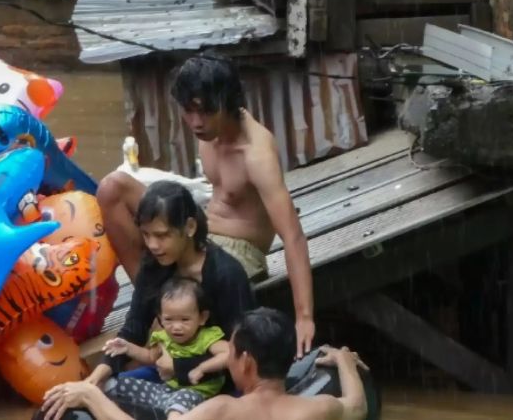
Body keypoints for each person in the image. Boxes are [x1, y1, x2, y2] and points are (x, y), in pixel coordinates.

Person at [98, 51, 315, 357]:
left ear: (228, 103)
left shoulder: (256, 153)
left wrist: (304, 317)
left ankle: (169, 317)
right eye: (189, 111)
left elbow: (293, 235)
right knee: (112, 189)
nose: (196, 122)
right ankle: (158, 308)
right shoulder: (208, 132)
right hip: (201, 226)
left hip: (240, 248)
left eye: (205, 112)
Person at [40, 307, 368, 420]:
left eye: (233, 351)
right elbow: (357, 407)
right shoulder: (318, 410)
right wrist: (343, 359)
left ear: (247, 362)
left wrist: (90, 395)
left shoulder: (222, 410)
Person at [83, 180, 256, 388]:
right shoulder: (154, 266)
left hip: (215, 383)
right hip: (170, 376)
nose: (153, 245)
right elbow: (134, 328)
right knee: (110, 388)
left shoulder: (226, 274)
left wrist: (179, 366)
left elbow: (243, 352)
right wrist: (96, 377)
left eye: (162, 235)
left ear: (190, 227)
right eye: (146, 235)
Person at [102, 277, 230, 418]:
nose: (176, 327)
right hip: (165, 391)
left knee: (178, 405)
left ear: (202, 318)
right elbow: (150, 357)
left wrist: (201, 368)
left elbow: (228, 353)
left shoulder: (206, 337)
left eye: (185, 319)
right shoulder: (163, 337)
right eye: (169, 319)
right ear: (160, 318)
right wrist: (128, 348)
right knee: (114, 384)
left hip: (196, 396)